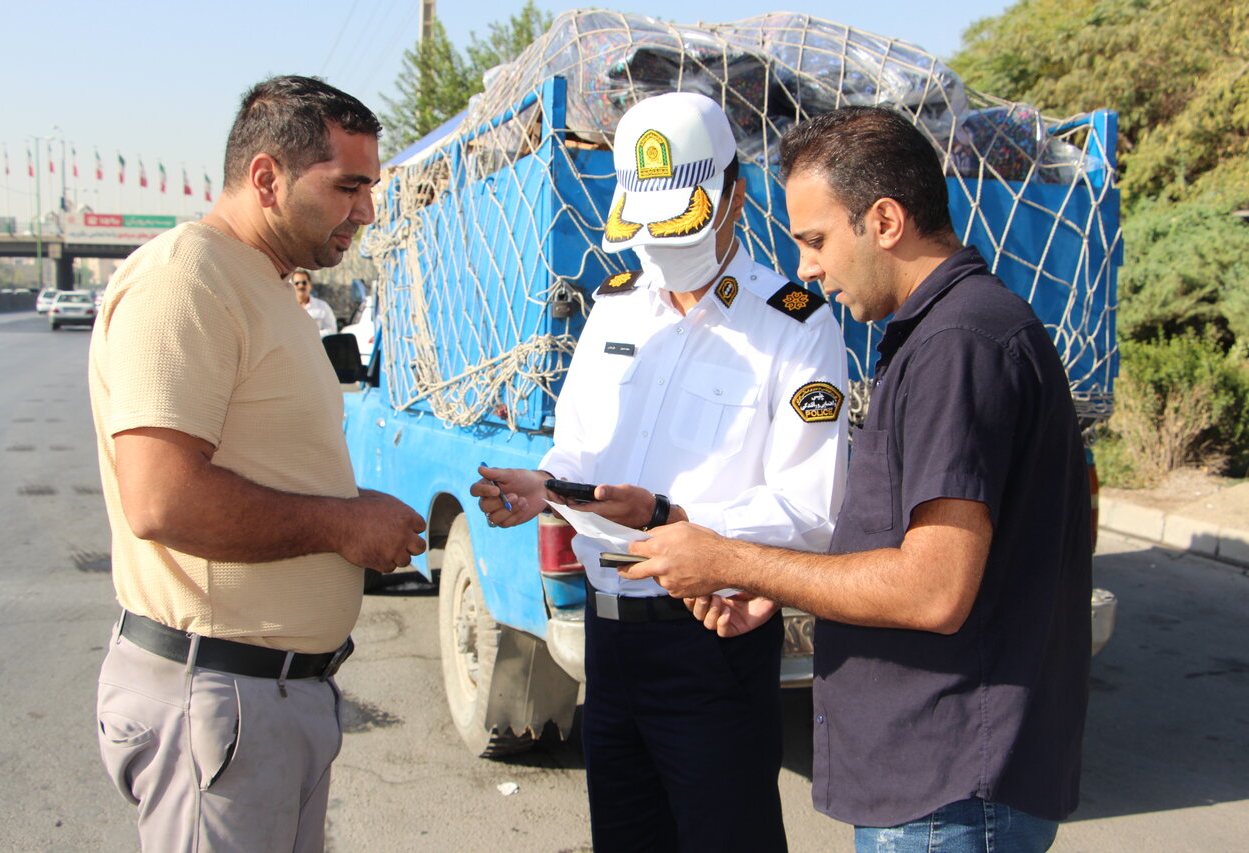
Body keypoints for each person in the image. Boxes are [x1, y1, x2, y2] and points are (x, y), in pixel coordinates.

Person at [621, 105, 1093, 853]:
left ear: (884, 220)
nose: (805, 267)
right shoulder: (951, 332)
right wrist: (779, 584)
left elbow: (933, 587)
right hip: (942, 784)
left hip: (947, 790)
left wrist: (730, 558)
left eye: (815, 240)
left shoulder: (957, 345)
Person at [471, 92, 848, 852]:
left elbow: (810, 509)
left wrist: (669, 518)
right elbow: (577, 450)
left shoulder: (795, 325)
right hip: (610, 646)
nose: (660, 245)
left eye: (681, 223)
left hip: (708, 640)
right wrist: (545, 487)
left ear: (735, 197)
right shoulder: (616, 308)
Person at [87, 75, 427, 852]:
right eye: (348, 187)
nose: (367, 212)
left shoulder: (263, 282)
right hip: (218, 698)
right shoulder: (187, 277)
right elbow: (161, 499)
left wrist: (351, 515)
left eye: (370, 188)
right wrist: (342, 523)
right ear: (267, 177)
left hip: (267, 700)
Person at [292, 268, 338, 334]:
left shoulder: (322, 306)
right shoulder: (287, 308)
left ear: (310, 284)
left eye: (304, 283)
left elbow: (332, 330)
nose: (301, 286)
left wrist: (313, 336)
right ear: (292, 286)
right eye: (297, 283)